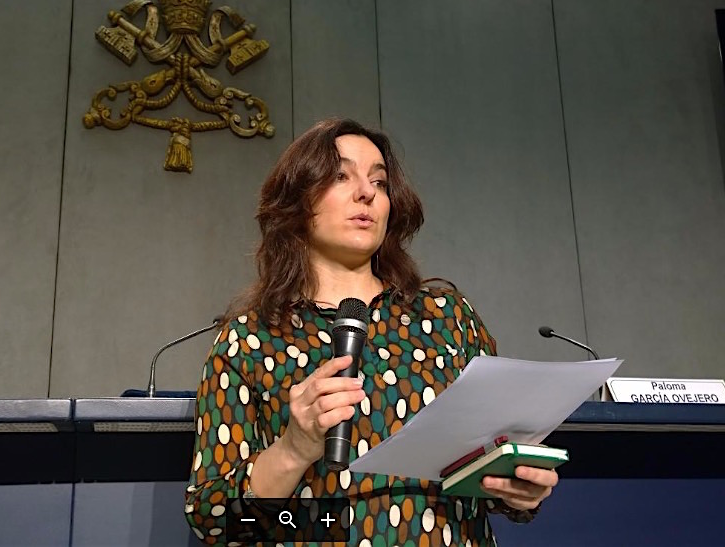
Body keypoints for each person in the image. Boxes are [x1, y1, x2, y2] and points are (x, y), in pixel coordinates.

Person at [185, 118, 558, 546]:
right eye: (340, 176)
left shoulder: (449, 318)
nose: (366, 192)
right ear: (296, 202)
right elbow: (214, 520)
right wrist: (293, 449)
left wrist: (519, 489)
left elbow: (495, 467)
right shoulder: (249, 340)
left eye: (379, 182)